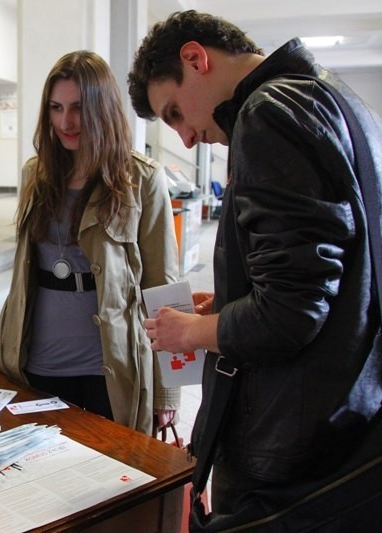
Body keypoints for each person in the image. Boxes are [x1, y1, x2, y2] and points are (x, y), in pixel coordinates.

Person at [129, 10, 382, 529]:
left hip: (292, 445)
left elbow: (289, 313)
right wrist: (228, 306)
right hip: (347, 420)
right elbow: (323, 276)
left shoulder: (269, 112)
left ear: (195, 58)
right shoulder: (336, 97)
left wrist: (195, 331)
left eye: (175, 111)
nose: (186, 137)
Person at [0, 51, 180, 436]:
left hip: (109, 369)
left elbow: (166, 290)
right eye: (56, 107)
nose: (66, 122)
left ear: (103, 109)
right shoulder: (36, 174)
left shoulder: (141, 179)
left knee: (110, 480)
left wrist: (168, 392)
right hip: (37, 363)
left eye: (78, 108)